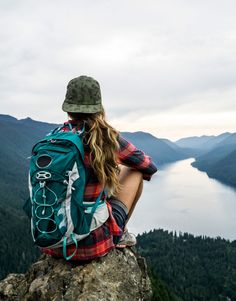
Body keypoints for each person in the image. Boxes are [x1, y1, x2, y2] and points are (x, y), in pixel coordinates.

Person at [41, 75, 157, 261]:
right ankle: (120, 234)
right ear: (98, 107)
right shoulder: (106, 137)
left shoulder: (52, 139)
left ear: (68, 109)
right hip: (93, 244)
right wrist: (114, 162)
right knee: (135, 172)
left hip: (54, 242)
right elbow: (148, 166)